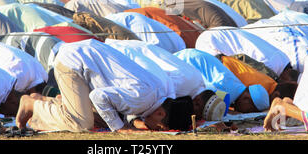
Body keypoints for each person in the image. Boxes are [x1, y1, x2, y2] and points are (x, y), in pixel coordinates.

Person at [15, 39, 193, 132]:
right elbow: (98, 97)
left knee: (100, 119)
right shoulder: (143, 99)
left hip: (85, 57)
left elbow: (118, 102)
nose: (155, 130)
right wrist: (121, 129)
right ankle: (32, 104)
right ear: (161, 113)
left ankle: (45, 101)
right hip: (73, 62)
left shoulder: (155, 93)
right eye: (160, 127)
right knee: (82, 124)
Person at [175, 49, 270, 113]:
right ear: (246, 99)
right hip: (183, 62)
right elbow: (206, 103)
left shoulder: (236, 85)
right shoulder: (229, 93)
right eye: (250, 110)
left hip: (188, 55)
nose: (246, 113)